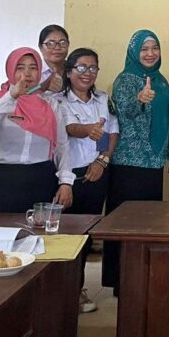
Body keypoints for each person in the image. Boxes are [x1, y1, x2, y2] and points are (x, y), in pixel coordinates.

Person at [102, 30, 169, 294]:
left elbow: (166, 118)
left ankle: (141, 278)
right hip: (128, 163)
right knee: (124, 223)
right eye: (144, 49)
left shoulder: (161, 81)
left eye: (154, 48)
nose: (150, 53)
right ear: (134, 52)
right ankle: (119, 281)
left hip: (153, 162)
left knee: (148, 222)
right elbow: (122, 111)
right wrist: (139, 99)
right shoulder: (125, 79)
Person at [57, 47, 118, 314]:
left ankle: (77, 289)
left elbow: (110, 133)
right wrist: (88, 130)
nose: (87, 73)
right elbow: (69, 130)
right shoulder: (59, 101)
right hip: (66, 175)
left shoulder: (102, 99)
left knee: (85, 236)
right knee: (62, 236)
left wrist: (102, 160)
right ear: (69, 71)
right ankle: (59, 291)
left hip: (95, 173)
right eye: (81, 67)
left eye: (93, 68)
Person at [0, 48, 74, 213]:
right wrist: (11, 97)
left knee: (39, 229)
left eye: (33, 67)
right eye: (20, 67)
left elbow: (62, 145)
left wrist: (65, 182)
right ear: (10, 70)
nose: (27, 73)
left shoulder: (50, 104)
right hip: (0, 180)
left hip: (40, 178)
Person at [39, 24, 70, 94]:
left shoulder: (74, 69)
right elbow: (22, 94)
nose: (57, 48)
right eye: (50, 44)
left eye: (62, 43)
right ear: (40, 47)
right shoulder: (33, 71)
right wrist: (42, 87)